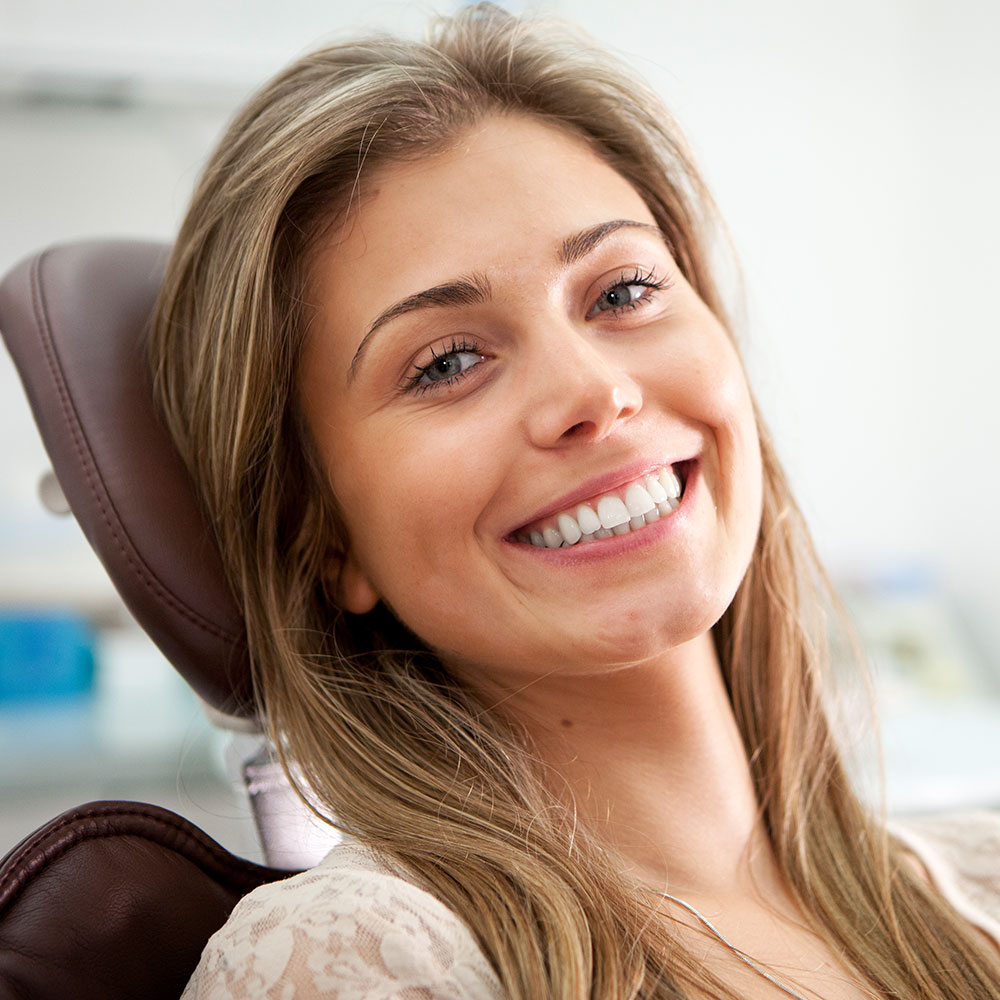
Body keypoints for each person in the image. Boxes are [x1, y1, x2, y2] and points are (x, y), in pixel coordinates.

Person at [150, 4, 1000, 997]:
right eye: (449, 361)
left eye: (622, 291)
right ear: (324, 534)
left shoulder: (970, 887)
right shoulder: (357, 957)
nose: (595, 393)